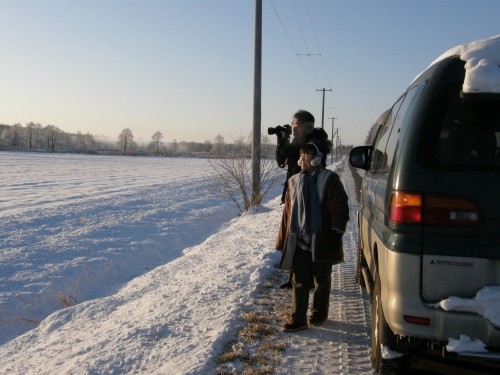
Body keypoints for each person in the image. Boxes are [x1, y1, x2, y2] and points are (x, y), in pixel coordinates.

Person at [275, 141, 349, 332]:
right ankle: (298, 319)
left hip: (322, 240)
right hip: (300, 240)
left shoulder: (330, 180)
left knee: (321, 280)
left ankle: (319, 313)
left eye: (305, 157)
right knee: (299, 280)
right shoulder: (293, 181)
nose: (301, 161)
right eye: (300, 157)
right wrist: (283, 238)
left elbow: (339, 208)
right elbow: (288, 213)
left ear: (316, 160)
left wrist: (336, 232)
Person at [272, 109, 328, 289]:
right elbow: (282, 159)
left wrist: (285, 140)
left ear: (308, 127)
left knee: (303, 237)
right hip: (294, 193)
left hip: (307, 196)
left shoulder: (314, 144)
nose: (293, 128)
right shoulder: (299, 142)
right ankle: (295, 277)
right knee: (293, 236)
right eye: (293, 125)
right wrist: (282, 138)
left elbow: (293, 154)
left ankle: (305, 278)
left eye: (296, 125)